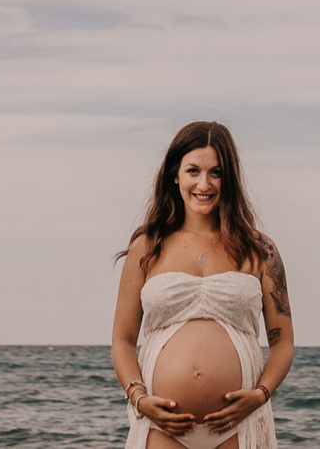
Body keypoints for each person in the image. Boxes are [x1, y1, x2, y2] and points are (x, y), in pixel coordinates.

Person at [111, 121, 294, 449]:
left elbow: (283, 342)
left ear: (230, 179)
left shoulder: (260, 250)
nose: (204, 184)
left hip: (238, 426)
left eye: (217, 173)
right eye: (193, 170)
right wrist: (139, 399)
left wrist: (260, 395)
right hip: (162, 428)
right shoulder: (147, 246)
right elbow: (123, 340)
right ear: (175, 175)